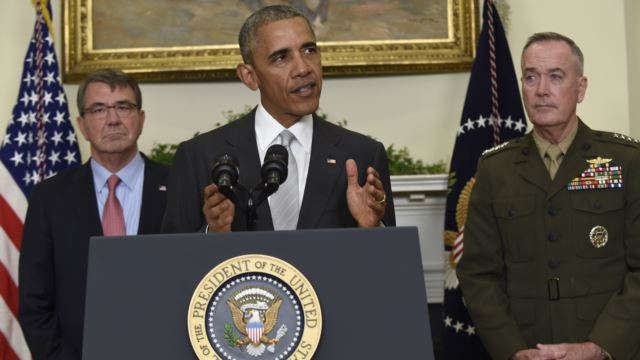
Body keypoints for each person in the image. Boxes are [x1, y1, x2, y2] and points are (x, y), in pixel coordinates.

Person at [457, 32, 640, 360]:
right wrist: (512, 350)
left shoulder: (625, 160)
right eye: (531, 77)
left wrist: (601, 347)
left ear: (580, 88)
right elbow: (478, 275)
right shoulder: (495, 169)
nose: (542, 90)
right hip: (527, 350)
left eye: (556, 76)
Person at [161, 5, 395, 233]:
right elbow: (172, 263)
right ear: (249, 77)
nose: (303, 68)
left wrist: (371, 229)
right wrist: (214, 232)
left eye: (309, 50)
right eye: (281, 57)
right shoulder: (199, 157)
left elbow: (391, 266)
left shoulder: (363, 155)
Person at [18, 68, 169, 359]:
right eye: (99, 109)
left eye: (123, 107)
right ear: (82, 124)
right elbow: (34, 303)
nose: (113, 119)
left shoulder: (177, 187)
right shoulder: (50, 198)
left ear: (141, 118)